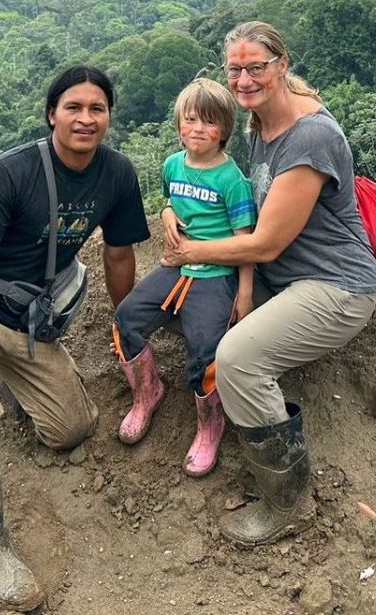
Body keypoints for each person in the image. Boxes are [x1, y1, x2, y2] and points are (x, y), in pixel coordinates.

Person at [0, 66, 149, 610]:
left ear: (108, 117)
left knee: (72, 430)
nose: (85, 118)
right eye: (73, 107)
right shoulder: (11, 172)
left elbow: (119, 254)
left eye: (97, 109)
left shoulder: (117, 174)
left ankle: (10, 378)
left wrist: (128, 324)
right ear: (52, 115)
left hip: (28, 319)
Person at [162, 21, 376, 546]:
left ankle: (287, 501)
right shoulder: (261, 123)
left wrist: (190, 251)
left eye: (256, 67)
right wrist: (170, 208)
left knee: (238, 358)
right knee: (185, 306)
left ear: (282, 66)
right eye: (235, 69)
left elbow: (264, 244)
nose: (244, 80)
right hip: (283, 278)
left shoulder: (311, 137)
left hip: (334, 284)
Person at [111, 78, 256, 477]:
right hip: (176, 266)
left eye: (208, 122)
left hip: (216, 274)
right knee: (126, 320)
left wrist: (245, 293)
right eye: (190, 119)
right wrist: (167, 213)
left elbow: (247, 242)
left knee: (206, 349)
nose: (197, 129)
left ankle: (210, 425)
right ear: (178, 125)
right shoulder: (172, 165)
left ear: (223, 130)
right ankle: (147, 392)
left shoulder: (232, 180)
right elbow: (171, 200)